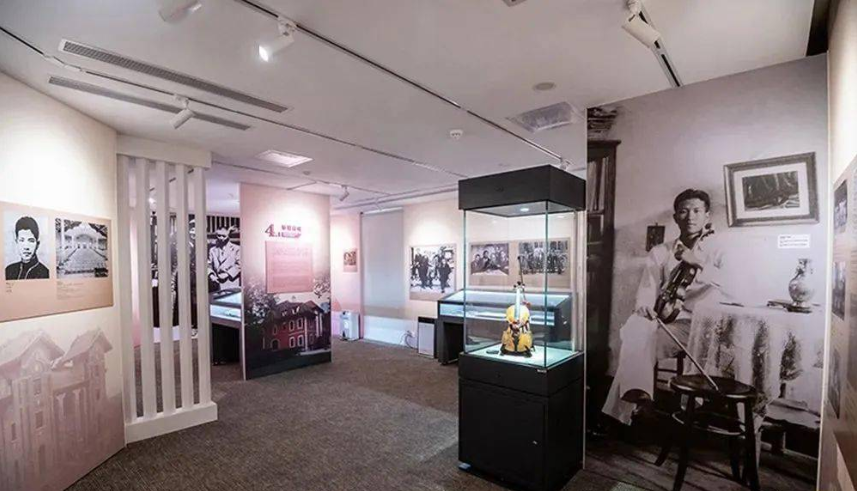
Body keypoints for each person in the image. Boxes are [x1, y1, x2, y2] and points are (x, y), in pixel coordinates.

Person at [602, 189, 728, 425]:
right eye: (684, 211)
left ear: (707, 216)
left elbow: (733, 286)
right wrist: (643, 307)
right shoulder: (661, 251)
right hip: (671, 321)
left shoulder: (719, 250)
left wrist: (698, 262)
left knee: (638, 346)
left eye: (696, 211)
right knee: (636, 329)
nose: (690, 217)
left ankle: (628, 409)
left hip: (704, 325)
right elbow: (647, 288)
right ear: (675, 217)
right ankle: (642, 397)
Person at [6, 216, 50, 280]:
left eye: (31, 241)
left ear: (37, 244)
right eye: (22, 240)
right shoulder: (8, 270)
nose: (26, 247)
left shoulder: (45, 274)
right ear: (16, 242)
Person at [208, 226, 241, 291]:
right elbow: (208, 265)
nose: (221, 238)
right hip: (216, 283)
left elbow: (239, 265)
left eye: (224, 236)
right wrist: (211, 275)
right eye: (219, 235)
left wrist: (227, 274)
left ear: (228, 236)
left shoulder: (236, 248)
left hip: (231, 283)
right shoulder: (212, 250)